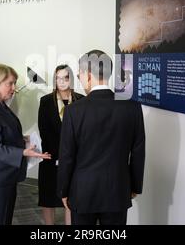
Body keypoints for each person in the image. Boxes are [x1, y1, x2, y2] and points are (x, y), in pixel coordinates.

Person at [57, 50, 145, 225]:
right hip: (118, 190)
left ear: (88, 75)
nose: (80, 80)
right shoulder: (132, 107)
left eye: (79, 75)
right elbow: (138, 152)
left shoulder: (74, 111)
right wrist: (135, 186)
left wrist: (63, 191)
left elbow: (67, 156)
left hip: (82, 192)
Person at [0, 64, 51, 225]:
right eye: (10, 83)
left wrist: (23, 139)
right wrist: (23, 152)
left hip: (5, 177)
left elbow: (2, 135)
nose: (14, 88)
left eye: (14, 83)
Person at [38, 65, 84, 225]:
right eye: (58, 78)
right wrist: (57, 155)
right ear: (54, 80)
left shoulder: (81, 100)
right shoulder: (45, 101)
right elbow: (43, 130)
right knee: (48, 197)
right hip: (51, 155)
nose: (62, 81)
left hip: (74, 157)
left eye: (66, 77)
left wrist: (71, 154)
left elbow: (83, 131)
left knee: (70, 198)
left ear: (71, 79)